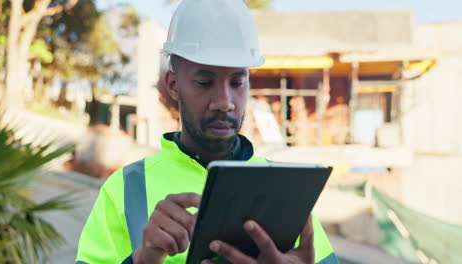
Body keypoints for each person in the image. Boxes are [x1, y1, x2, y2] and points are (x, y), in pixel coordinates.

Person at [76, 0, 339, 263]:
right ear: (173, 85)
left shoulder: (283, 189)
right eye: (204, 82)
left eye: (237, 82)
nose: (225, 101)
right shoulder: (125, 189)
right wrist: (142, 259)